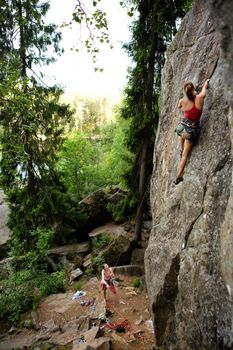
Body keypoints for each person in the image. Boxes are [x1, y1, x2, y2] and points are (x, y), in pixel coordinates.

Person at [174, 79, 209, 184]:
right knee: (185, 155)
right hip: (192, 131)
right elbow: (204, 89)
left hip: (182, 128)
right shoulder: (200, 98)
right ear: (193, 89)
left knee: (181, 128)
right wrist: (206, 83)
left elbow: (179, 107)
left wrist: (184, 105)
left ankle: (180, 147)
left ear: (185, 92)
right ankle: (179, 176)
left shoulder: (182, 101)